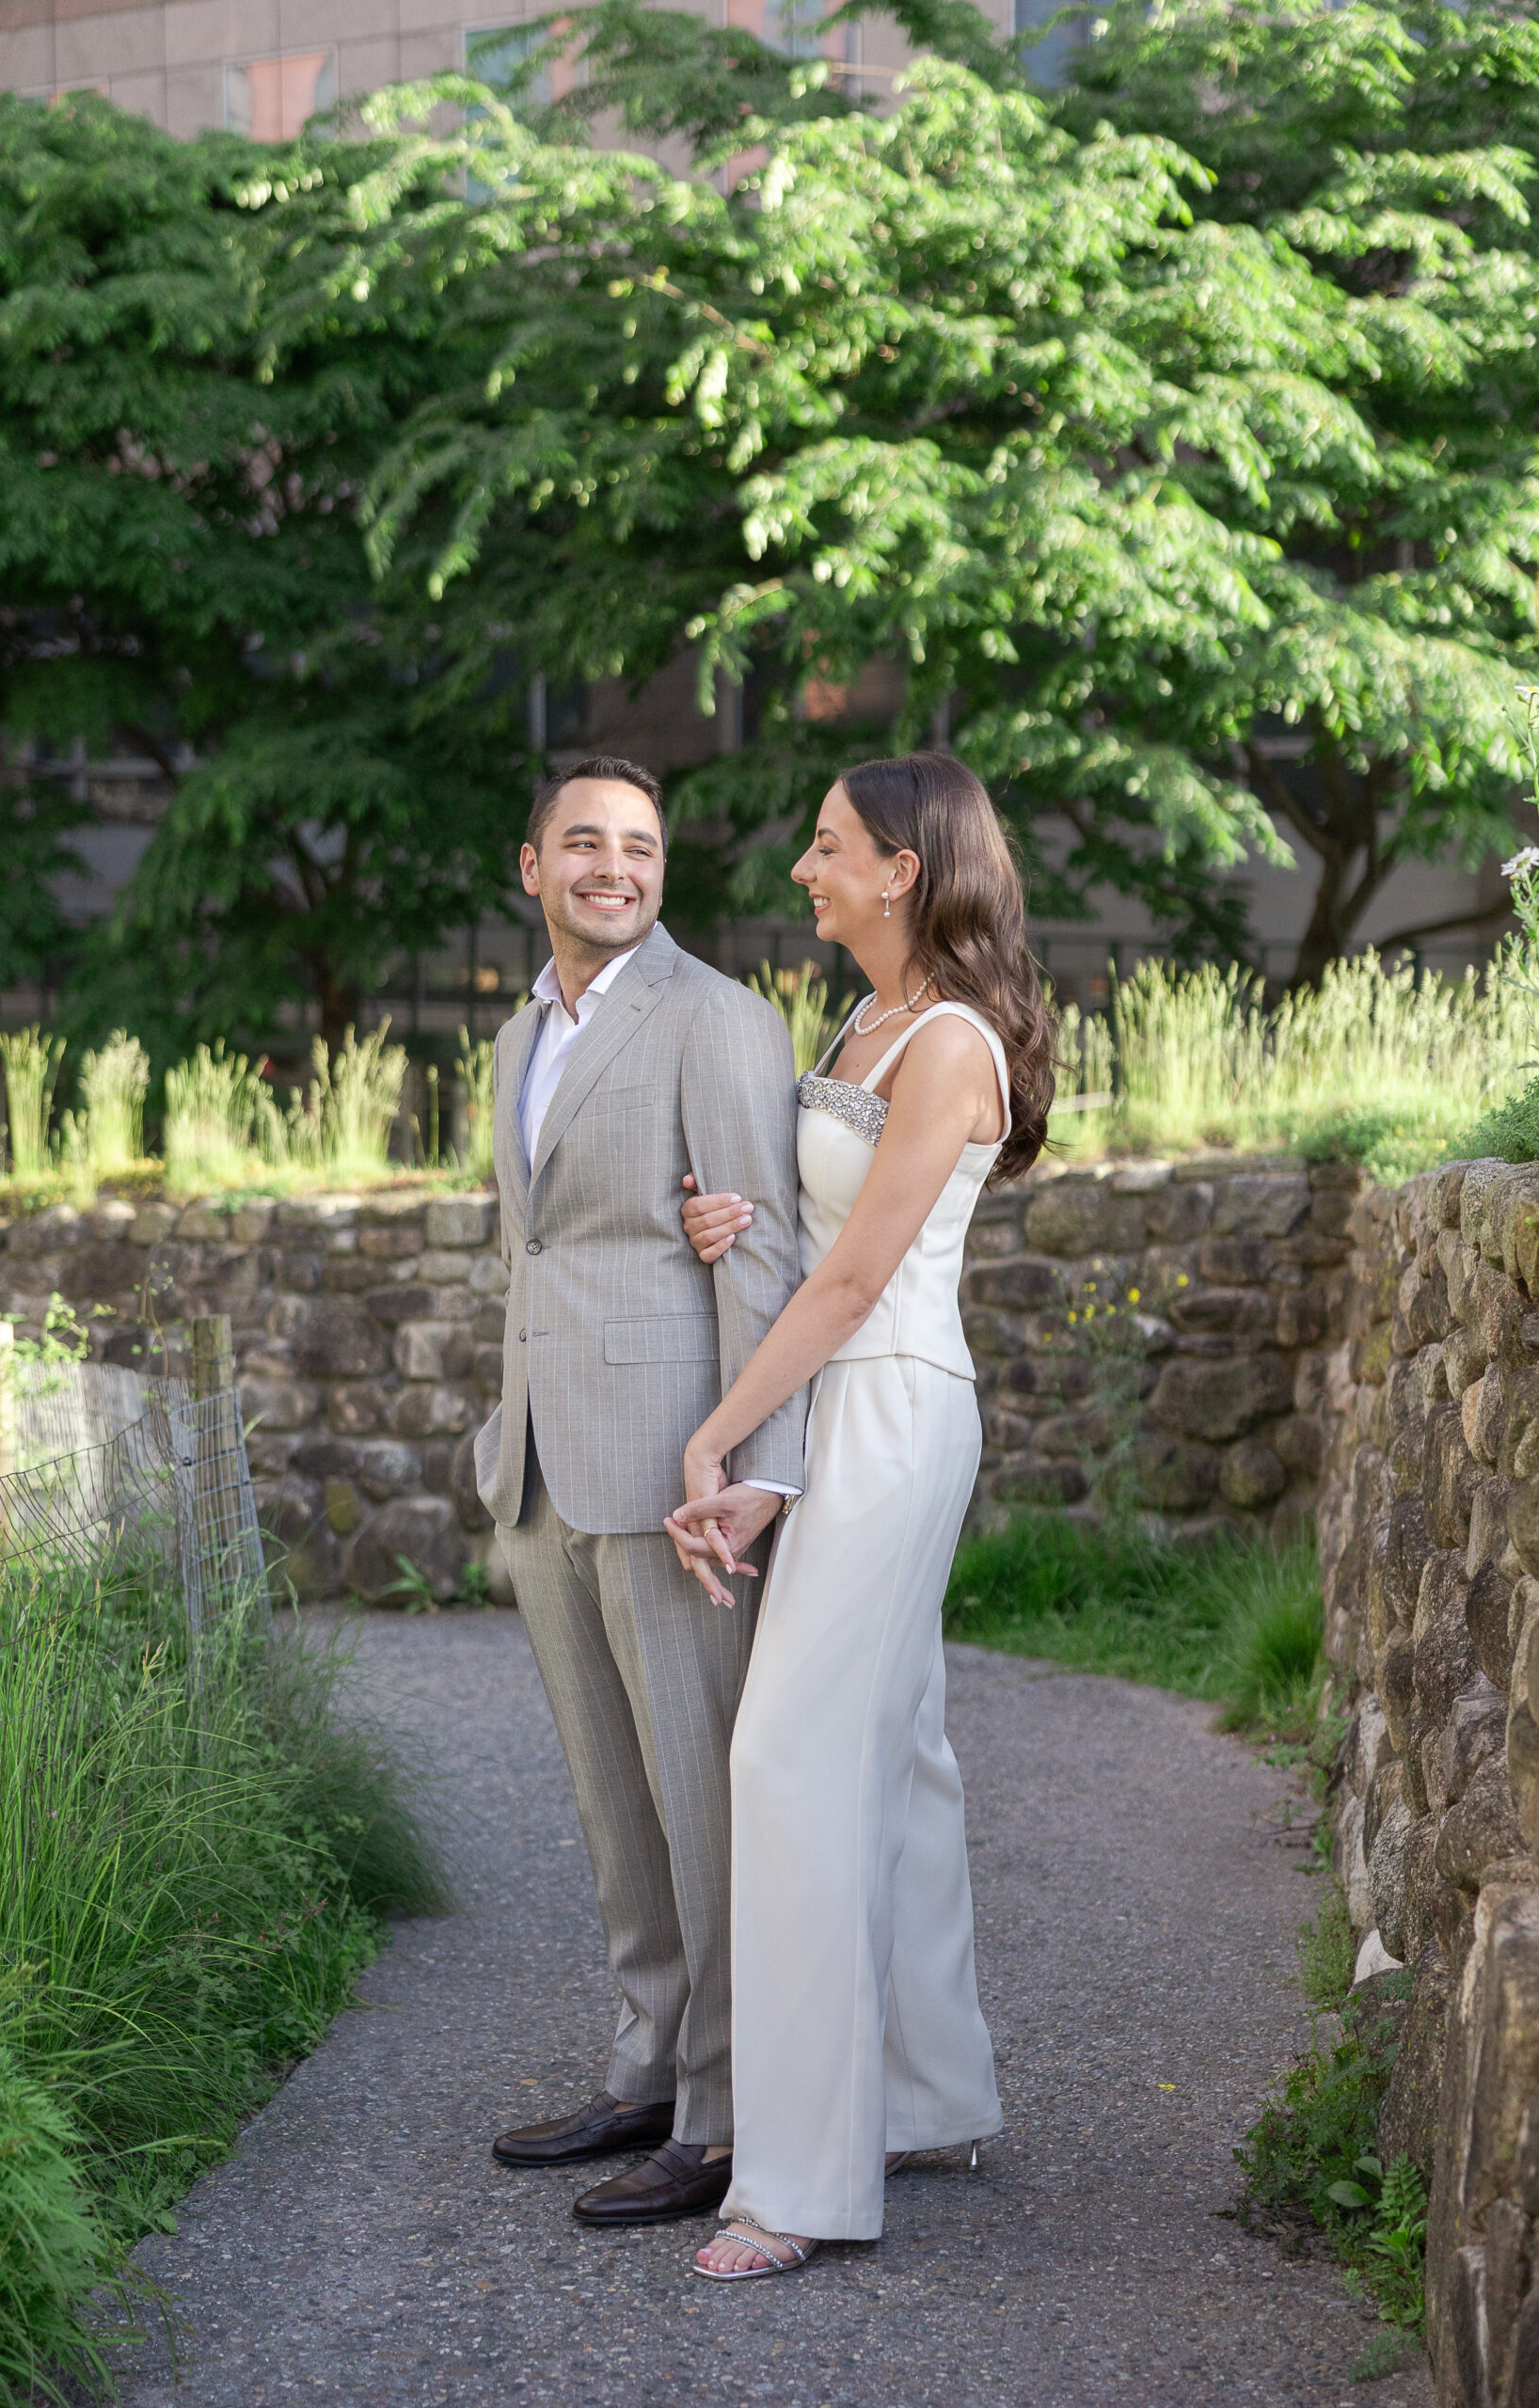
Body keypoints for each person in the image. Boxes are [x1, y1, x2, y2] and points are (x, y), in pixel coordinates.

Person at [665, 751, 1056, 2279]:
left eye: (826, 847)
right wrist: (729, 1216)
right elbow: (814, 1224)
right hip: (850, 1402)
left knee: (792, 1756)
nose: (801, 868)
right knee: (897, 1751)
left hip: (892, 1407)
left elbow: (854, 1284)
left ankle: (806, 2181)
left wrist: (720, 1433)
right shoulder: (864, 1019)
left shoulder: (950, 1043)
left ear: (904, 866)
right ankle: (926, 2095)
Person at [477, 753, 807, 2227]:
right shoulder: (513, 1038)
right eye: (587, 844)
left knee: (699, 1797)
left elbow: (762, 1261)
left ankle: (730, 2115)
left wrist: (751, 1471)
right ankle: (650, 2065)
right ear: (531, 867)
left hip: (676, 1465)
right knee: (618, 1807)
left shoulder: (720, 1021)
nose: (618, 867)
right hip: (542, 1459)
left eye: (643, 846)